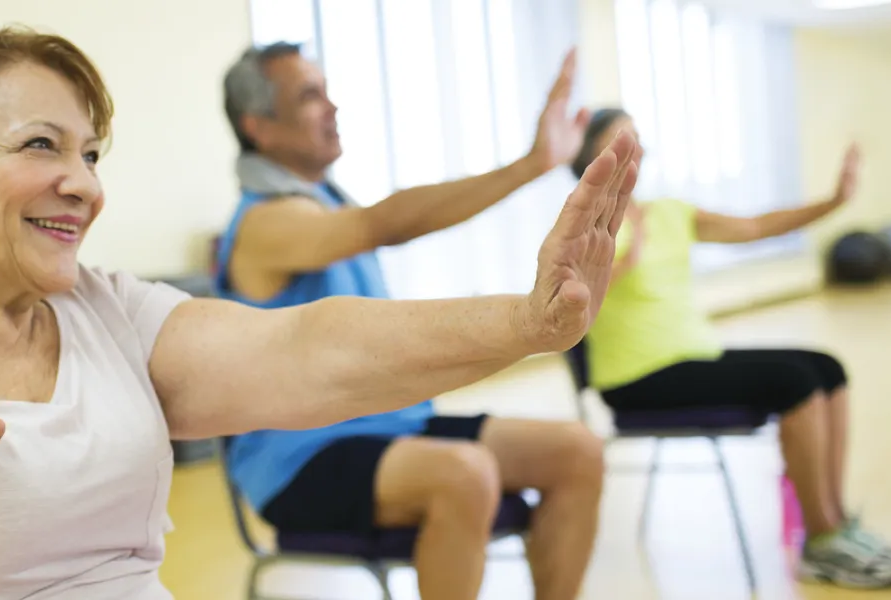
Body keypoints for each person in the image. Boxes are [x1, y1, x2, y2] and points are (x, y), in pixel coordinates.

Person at [0, 28, 639, 600]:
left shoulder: (104, 308)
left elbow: (304, 351)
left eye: (91, 152)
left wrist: (528, 322)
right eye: (41, 145)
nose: (83, 182)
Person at [215, 43, 615, 600]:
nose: (333, 107)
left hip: (394, 431)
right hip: (301, 462)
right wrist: (529, 166)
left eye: (328, 90)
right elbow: (381, 223)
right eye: (310, 96)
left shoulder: (325, 201)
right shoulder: (265, 223)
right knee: (464, 472)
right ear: (259, 126)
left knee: (578, 451)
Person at [574, 108, 891, 589]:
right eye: (617, 137)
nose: (632, 144)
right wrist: (628, 253)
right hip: (636, 378)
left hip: (694, 357)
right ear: (591, 155)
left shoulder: (667, 212)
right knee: (794, 383)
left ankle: (835, 524)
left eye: (635, 135)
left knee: (826, 368)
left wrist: (833, 202)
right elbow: (576, 301)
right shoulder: (585, 226)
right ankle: (819, 539)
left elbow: (755, 227)